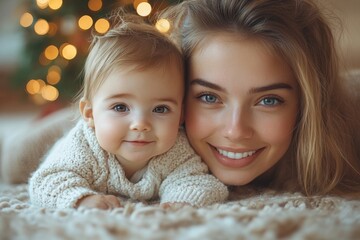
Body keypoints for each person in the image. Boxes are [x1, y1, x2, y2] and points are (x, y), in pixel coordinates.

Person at [1, 0, 359, 197]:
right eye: (208, 96)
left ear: (310, 101)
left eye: (268, 101)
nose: (235, 131)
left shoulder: (345, 121)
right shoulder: (103, 132)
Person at [26, 8, 228, 209]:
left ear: (181, 115)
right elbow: (46, 182)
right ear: (90, 114)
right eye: (121, 107)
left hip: (97, 119)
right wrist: (82, 200)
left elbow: (200, 181)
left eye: (160, 109)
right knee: (13, 161)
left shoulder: (176, 151)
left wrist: (181, 201)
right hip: (58, 130)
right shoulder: (82, 148)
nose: (141, 124)